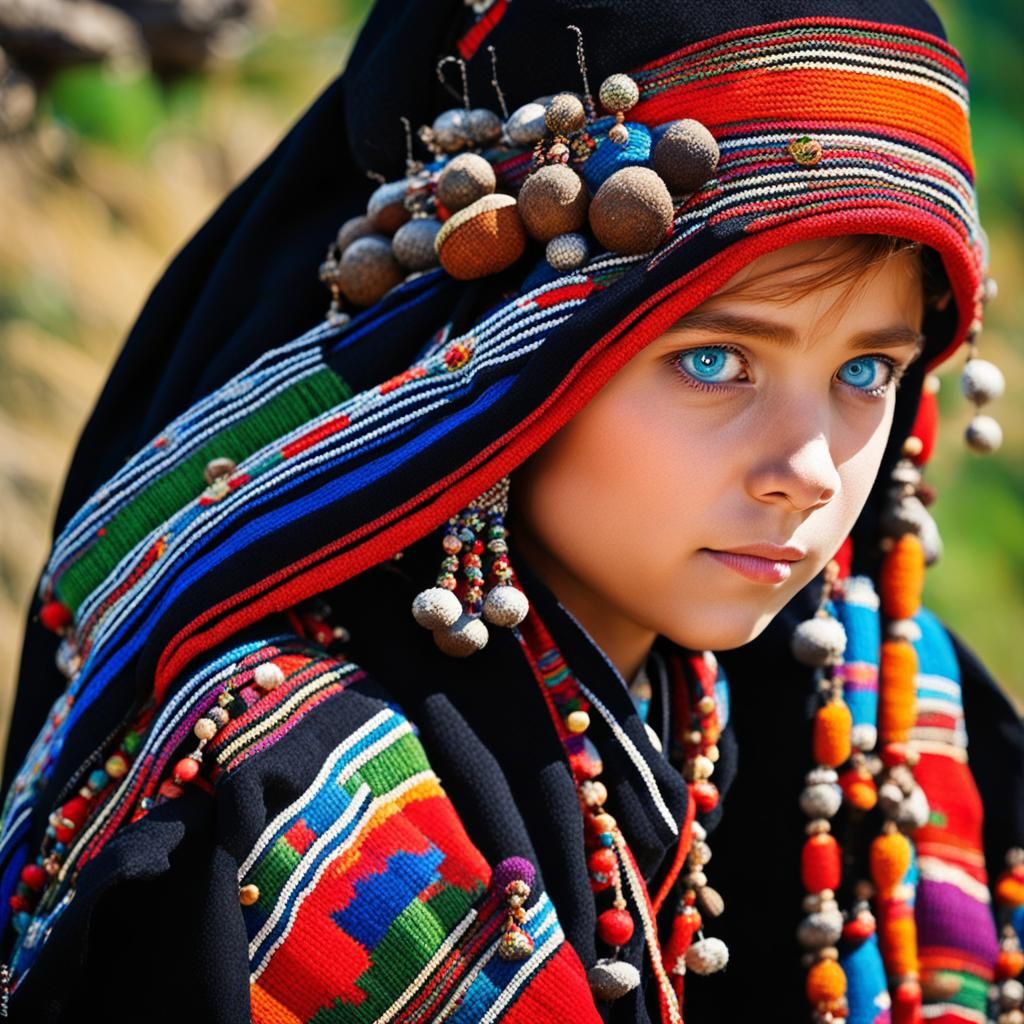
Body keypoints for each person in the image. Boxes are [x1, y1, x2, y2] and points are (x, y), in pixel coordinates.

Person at [0, 1, 1021, 1022]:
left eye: (866, 369)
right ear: (506, 363)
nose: (803, 467)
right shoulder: (276, 794)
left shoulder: (876, 706)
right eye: (712, 360)